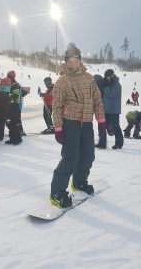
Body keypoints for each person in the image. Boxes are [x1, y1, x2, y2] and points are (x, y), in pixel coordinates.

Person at [50, 43, 106, 209]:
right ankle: (57, 192)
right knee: (70, 158)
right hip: (70, 123)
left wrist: (101, 120)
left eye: (76, 61)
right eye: (70, 61)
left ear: (80, 61)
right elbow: (57, 106)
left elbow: (97, 100)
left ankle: (79, 182)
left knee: (88, 156)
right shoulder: (62, 82)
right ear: (66, 62)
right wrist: (58, 128)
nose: (74, 64)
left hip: (87, 123)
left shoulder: (89, 78)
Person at [95, 69, 124, 149]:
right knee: (102, 126)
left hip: (114, 110)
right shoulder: (109, 84)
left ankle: (119, 143)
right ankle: (102, 143)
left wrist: (104, 86)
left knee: (116, 126)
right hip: (105, 109)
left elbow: (111, 94)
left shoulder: (117, 85)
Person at [5, 70, 22, 145]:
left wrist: (9, 96)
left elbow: (16, 95)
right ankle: (12, 138)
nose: (7, 78)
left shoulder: (15, 84)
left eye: (8, 76)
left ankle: (18, 138)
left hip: (14, 105)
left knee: (12, 121)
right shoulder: (10, 84)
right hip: (10, 105)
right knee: (9, 122)